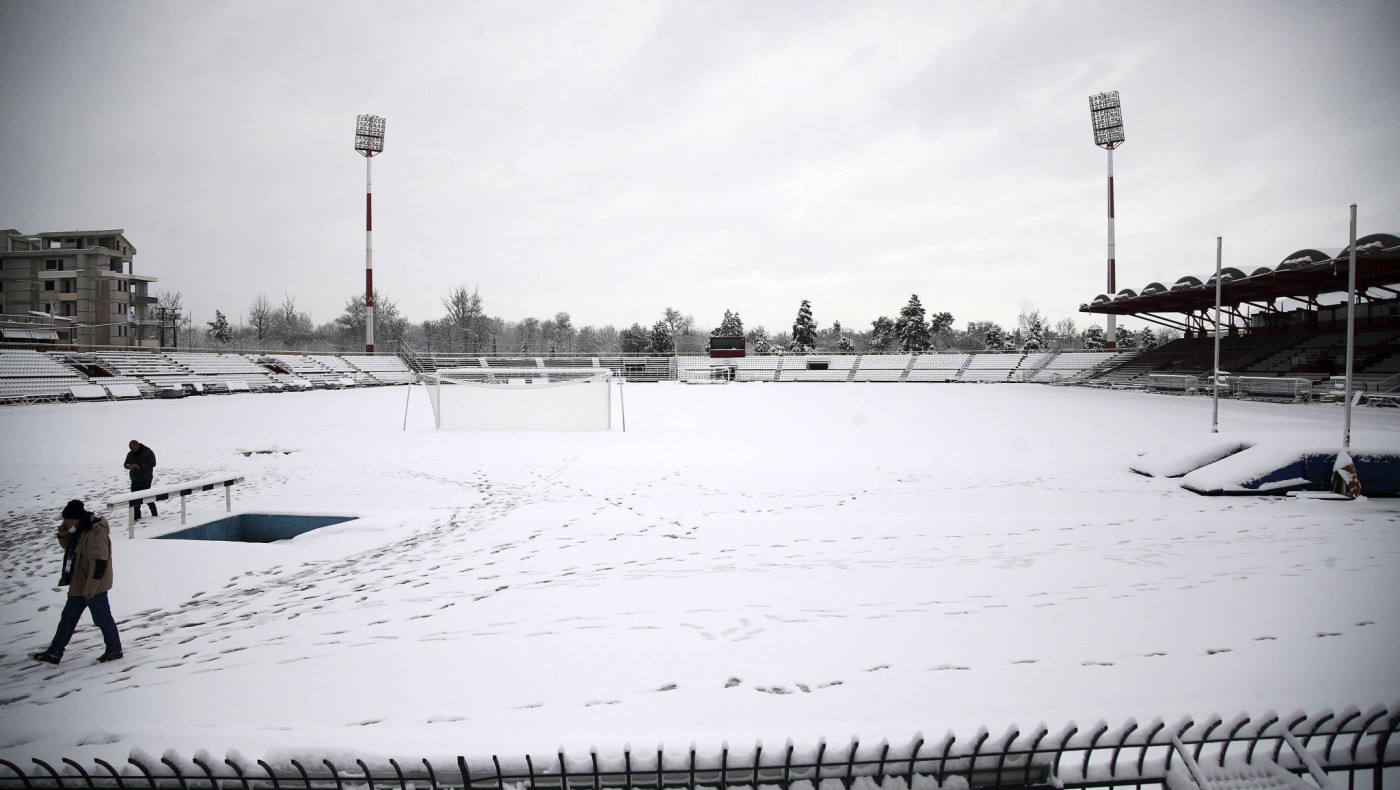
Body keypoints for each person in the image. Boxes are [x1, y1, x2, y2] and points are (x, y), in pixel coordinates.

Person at [30, 500, 123, 664]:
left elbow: (99, 563)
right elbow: (71, 550)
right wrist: (63, 535)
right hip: (79, 582)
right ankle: (54, 652)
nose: (64, 523)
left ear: (75, 519)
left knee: (102, 619)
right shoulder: (80, 530)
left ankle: (114, 650)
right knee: (68, 618)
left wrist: (90, 588)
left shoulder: (95, 534)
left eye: (66, 520)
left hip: (94, 585)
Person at [124, 439, 157, 519]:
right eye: (130, 448)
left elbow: (152, 463)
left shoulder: (148, 452)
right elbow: (125, 463)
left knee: (146, 497)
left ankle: (154, 513)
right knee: (134, 498)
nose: (131, 450)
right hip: (134, 479)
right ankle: (137, 516)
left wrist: (139, 466)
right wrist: (128, 466)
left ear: (137, 445)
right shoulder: (130, 454)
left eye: (133, 448)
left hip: (145, 478)